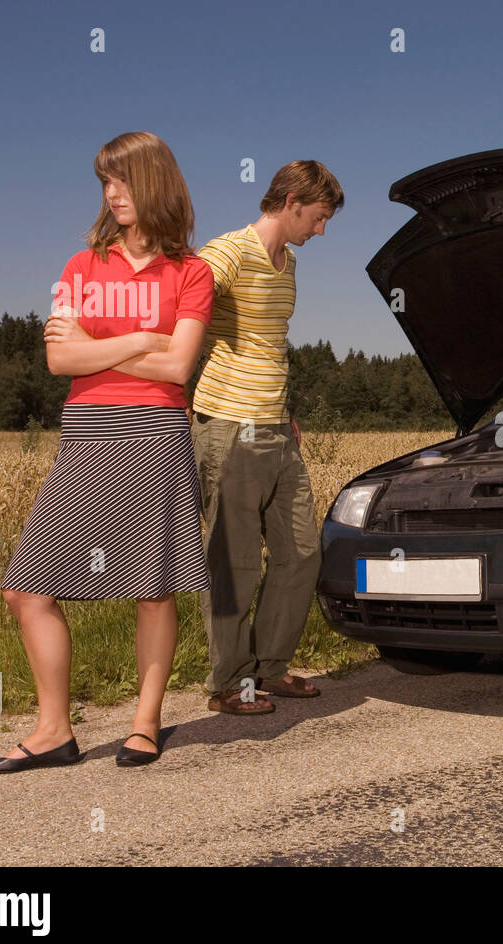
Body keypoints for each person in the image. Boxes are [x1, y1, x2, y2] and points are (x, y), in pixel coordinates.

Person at [0, 131, 213, 773]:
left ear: (156, 182)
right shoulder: (80, 266)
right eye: (106, 181)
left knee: (156, 589)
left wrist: (102, 342)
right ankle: (54, 730)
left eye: (124, 180)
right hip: (86, 430)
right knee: (24, 588)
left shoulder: (193, 272)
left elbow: (181, 366)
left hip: (157, 435)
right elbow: (59, 358)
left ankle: (145, 723)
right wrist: (141, 337)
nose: (112, 193)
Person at [191, 161, 343, 715]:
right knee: (233, 561)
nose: (321, 230)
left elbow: (268, 344)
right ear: (294, 200)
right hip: (229, 424)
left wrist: (286, 410)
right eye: (320, 217)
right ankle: (228, 683)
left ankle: (270, 668)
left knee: (301, 550)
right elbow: (184, 308)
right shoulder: (229, 251)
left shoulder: (290, 260)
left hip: (276, 425)